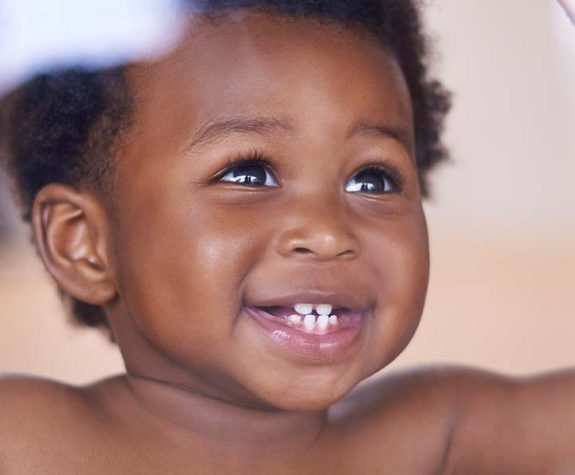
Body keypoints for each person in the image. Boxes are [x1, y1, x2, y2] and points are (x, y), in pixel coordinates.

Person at [0, 1, 573, 473]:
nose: (326, 232)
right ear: (84, 243)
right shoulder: (23, 441)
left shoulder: (437, 437)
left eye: (371, 179)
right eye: (249, 174)